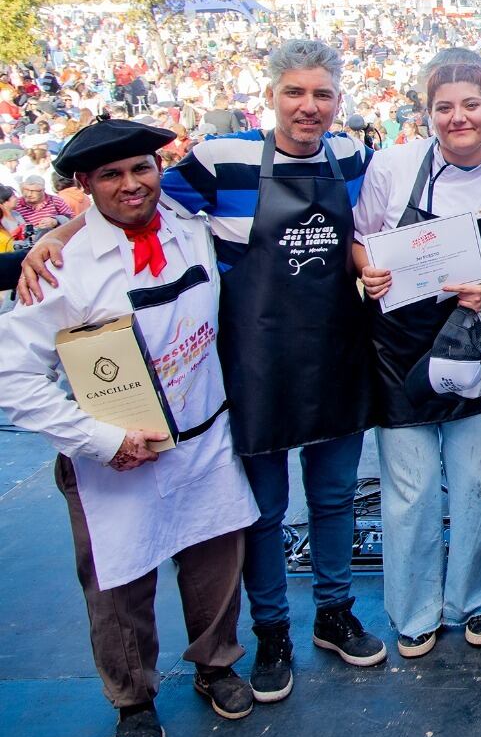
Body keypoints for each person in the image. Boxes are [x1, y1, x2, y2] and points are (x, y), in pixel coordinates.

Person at [21, 40, 386, 702]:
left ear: (339, 98)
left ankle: (335, 612)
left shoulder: (356, 157)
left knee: (334, 497)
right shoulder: (221, 160)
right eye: (295, 92)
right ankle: (273, 630)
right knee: (265, 511)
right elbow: (133, 199)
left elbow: (371, 225)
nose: (309, 106)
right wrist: (55, 237)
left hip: (336, 354)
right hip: (254, 367)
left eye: (322, 94)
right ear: (271, 94)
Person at [0, 120, 259, 737]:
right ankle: (132, 698)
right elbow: (12, 376)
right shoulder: (60, 268)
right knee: (118, 582)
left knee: (215, 564)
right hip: (115, 459)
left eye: (141, 169)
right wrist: (94, 439)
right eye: (110, 175)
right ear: (84, 185)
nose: (131, 184)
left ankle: (216, 664)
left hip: (202, 437)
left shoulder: (188, 226)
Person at [353, 60, 481, 658]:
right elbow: (359, 238)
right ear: (427, 115)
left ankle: (477, 602)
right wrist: (368, 272)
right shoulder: (395, 165)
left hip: (475, 351)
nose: (459, 118)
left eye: (471, 105)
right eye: (445, 107)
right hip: (398, 352)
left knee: (480, 485)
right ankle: (415, 612)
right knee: (412, 491)